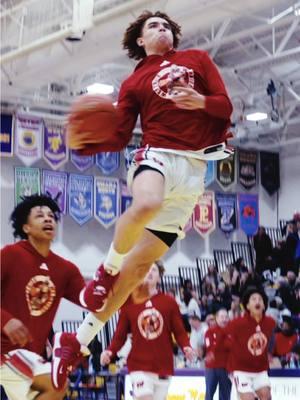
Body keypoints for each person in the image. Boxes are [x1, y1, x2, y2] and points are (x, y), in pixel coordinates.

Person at [51, 9, 233, 389]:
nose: (162, 28)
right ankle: (104, 271)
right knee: (146, 204)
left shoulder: (196, 60)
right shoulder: (134, 82)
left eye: (166, 24)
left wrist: (199, 103)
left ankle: (74, 342)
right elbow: (118, 136)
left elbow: (224, 105)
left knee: (134, 275)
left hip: (194, 171)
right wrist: (87, 146)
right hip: (157, 155)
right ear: (140, 40)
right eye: (153, 25)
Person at [0, 194, 105, 400]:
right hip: (4, 352)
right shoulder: (10, 255)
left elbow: (91, 302)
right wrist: (5, 321)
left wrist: (109, 279)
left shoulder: (65, 269)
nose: (48, 219)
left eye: (51, 216)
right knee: (56, 385)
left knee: (55, 388)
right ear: (26, 227)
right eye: (40, 216)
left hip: (29, 356)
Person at [100, 262, 194, 400]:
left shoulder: (169, 302)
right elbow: (119, 335)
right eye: (146, 270)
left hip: (163, 366)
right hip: (139, 365)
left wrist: (187, 347)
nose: (150, 272)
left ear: (159, 277)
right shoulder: (129, 302)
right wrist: (110, 351)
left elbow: (179, 331)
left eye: (154, 270)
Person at [217, 287, 276, 400]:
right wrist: (216, 353)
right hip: (240, 370)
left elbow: (272, 338)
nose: (257, 301)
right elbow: (222, 335)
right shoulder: (237, 323)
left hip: (260, 369)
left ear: (264, 305)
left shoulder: (270, 322)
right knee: (248, 398)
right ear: (247, 306)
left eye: (260, 299)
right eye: (253, 299)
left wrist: (270, 352)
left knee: (266, 396)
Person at [204, 308, 231, 400]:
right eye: (222, 317)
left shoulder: (232, 331)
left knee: (225, 395)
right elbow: (210, 347)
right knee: (209, 394)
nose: (224, 319)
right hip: (211, 368)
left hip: (226, 368)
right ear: (216, 318)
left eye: (226, 317)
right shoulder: (209, 332)